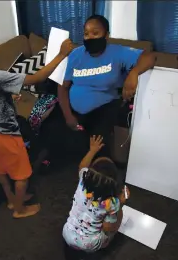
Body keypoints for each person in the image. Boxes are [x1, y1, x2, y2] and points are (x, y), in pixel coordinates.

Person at [0, 24, 73, 218]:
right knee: (22, 174)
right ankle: (20, 209)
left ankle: (12, 199)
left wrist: (7, 98)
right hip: (6, 134)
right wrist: (60, 54)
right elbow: (37, 77)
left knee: (1, 169)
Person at [58, 14, 156, 158]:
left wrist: (133, 73)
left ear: (106, 35)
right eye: (86, 34)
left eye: (95, 33)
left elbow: (150, 57)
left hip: (103, 109)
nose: (90, 37)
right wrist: (68, 116)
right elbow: (63, 87)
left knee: (99, 148)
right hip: (75, 111)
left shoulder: (117, 52)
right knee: (55, 137)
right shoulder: (75, 55)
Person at [62, 135, 130, 252]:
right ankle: (106, 244)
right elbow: (108, 227)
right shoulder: (112, 203)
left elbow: (82, 166)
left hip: (67, 233)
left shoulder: (83, 181)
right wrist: (120, 204)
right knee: (113, 224)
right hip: (89, 245)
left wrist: (92, 151)